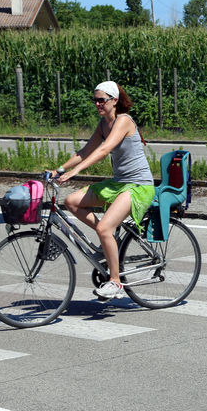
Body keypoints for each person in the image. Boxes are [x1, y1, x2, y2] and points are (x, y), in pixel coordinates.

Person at [51, 81, 155, 299]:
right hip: (119, 184)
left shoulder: (124, 121)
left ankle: (115, 282)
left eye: (102, 100)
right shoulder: (102, 124)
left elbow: (105, 149)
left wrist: (75, 172)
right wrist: (59, 169)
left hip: (139, 186)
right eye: (95, 100)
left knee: (104, 228)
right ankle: (110, 242)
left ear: (114, 100)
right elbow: (85, 151)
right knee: (71, 201)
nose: (97, 104)